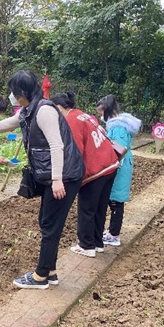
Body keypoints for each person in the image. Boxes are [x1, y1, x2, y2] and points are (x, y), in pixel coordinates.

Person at [0, 71, 84, 289]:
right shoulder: (28, 110)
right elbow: (10, 123)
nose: (11, 96)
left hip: (64, 176)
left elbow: (57, 145)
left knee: (50, 224)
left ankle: (40, 276)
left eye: (13, 92)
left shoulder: (44, 111)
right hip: (56, 174)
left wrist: (57, 179)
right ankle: (50, 271)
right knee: (46, 220)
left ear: (22, 92)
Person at [51, 92, 119, 258]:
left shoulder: (70, 121)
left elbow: (75, 151)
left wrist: (68, 178)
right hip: (110, 164)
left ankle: (86, 245)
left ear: (59, 108)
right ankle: (97, 243)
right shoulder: (82, 114)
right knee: (99, 207)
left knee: (87, 208)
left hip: (96, 169)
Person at [96, 95, 142, 247]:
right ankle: (111, 231)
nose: (100, 116)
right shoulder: (117, 124)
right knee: (113, 198)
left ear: (107, 111)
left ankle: (114, 234)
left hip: (119, 166)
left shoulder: (118, 127)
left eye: (101, 113)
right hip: (118, 165)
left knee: (116, 200)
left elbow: (120, 148)